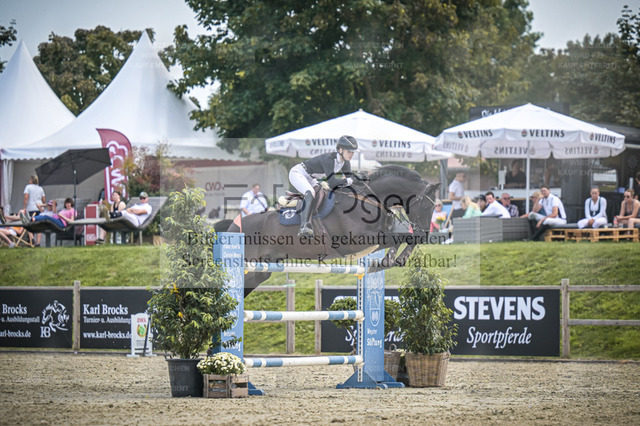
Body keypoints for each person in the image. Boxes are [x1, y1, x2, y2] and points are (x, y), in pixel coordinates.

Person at [289, 135, 357, 237]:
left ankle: (314, 220)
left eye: (353, 152)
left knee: (321, 193)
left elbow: (351, 180)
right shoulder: (329, 159)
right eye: (349, 151)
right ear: (340, 150)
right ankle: (304, 226)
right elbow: (332, 183)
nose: (351, 154)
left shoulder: (345, 163)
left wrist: (358, 179)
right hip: (298, 173)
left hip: (310, 178)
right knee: (311, 192)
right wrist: (348, 180)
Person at [22, 175, 46, 246]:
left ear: (31, 180)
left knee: (28, 224)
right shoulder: (40, 188)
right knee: (39, 225)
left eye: (29, 179)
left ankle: (32, 239)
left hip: (31, 208)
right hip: (39, 208)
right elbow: (43, 200)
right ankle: (38, 242)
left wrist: (24, 208)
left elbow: (26, 198)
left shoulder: (28, 187)